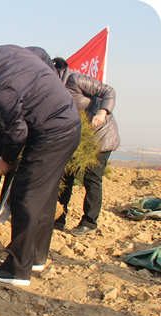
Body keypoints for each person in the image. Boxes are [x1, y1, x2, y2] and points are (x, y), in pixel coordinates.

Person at [0, 35, 80, 286]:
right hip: (67, 124)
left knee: (25, 196)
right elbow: (41, 53)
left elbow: (16, 131)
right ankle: (36, 258)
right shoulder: (10, 51)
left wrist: (6, 159)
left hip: (50, 132)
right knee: (45, 195)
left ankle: (17, 269)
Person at [52, 57, 120, 236]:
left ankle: (89, 222)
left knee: (92, 178)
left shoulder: (75, 80)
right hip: (77, 138)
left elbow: (109, 91)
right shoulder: (52, 92)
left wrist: (102, 112)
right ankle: (58, 217)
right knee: (65, 175)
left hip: (100, 136)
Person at [0, 46, 54, 207]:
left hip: (18, 135)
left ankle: (4, 202)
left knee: (11, 169)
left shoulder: (37, 86)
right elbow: (5, 113)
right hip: (2, 131)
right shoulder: (9, 82)